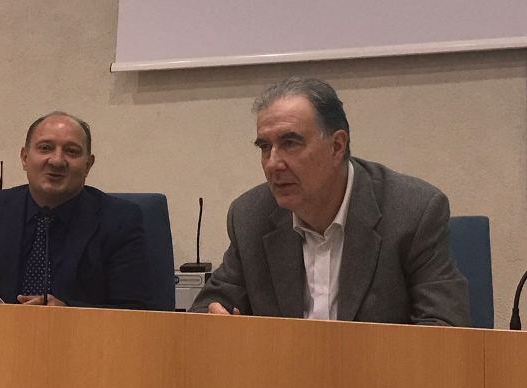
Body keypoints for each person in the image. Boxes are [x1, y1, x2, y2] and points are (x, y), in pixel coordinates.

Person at [190, 78, 470, 326]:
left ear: (337, 146)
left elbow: (443, 328)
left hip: (379, 369)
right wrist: (213, 321)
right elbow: (205, 311)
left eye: (290, 143)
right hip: (282, 369)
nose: (273, 163)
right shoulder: (251, 216)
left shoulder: (412, 211)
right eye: (265, 147)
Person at [0, 111, 150, 308]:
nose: (57, 161)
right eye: (45, 148)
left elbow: (135, 312)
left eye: (71, 151)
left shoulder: (120, 220)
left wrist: (69, 313)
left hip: (80, 337)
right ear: (25, 158)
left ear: (88, 165)